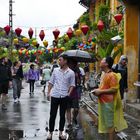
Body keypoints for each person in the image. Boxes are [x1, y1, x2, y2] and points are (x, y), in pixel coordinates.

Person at [92, 56, 128, 140]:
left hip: (109, 103)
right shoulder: (104, 74)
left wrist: (100, 92)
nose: (100, 61)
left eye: (103, 60)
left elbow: (114, 89)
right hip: (104, 103)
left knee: (110, 124)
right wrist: (97, 91)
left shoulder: (111, 75)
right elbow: (104, 87)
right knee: (108, 124)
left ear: (106, 64)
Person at [46, 55, 75, 140]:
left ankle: (60, 133)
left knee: (62, 115)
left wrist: (69, 94)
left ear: (65, 61)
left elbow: (72, 85)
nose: (59, 61)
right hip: (55, 95)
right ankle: (50, 133)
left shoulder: (71, 73)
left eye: (60, 60)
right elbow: (51, 82)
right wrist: (48, 93)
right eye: (59, 60)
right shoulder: (55, 70)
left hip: (64, 96)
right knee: (52, 115)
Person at [66, 60, 82, 130]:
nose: (71, 65)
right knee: (68, 109)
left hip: (74, 92)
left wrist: (77, 76)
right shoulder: (66, 71)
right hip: (66, 92)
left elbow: (79, 82)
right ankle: (69, 124)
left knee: (76, 109)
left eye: (72, 64)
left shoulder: (77, 72)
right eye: (70, 63)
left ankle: (74, 118)